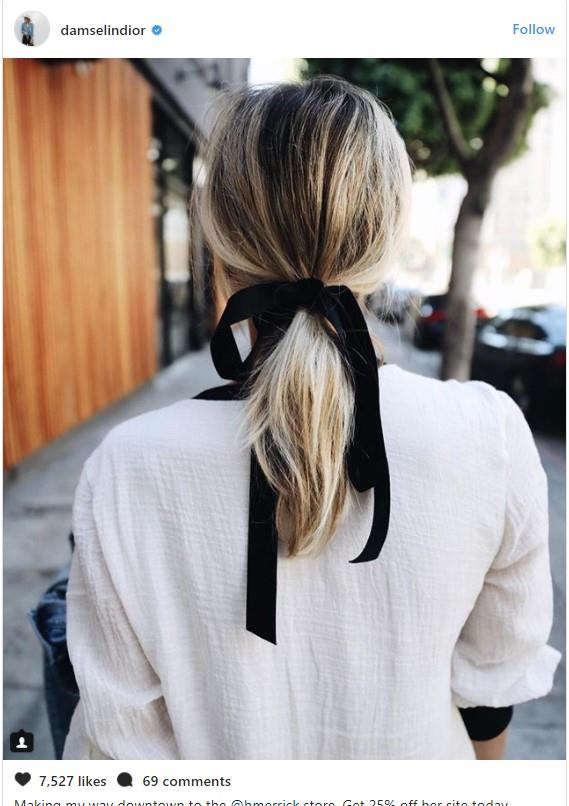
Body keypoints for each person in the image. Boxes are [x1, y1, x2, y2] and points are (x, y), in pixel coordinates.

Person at [63, 77, 560, 761]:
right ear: (385, 241)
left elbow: (120, 746)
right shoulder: (490, 437)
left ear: (221, 248)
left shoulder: (128, 466)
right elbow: (490, 689)